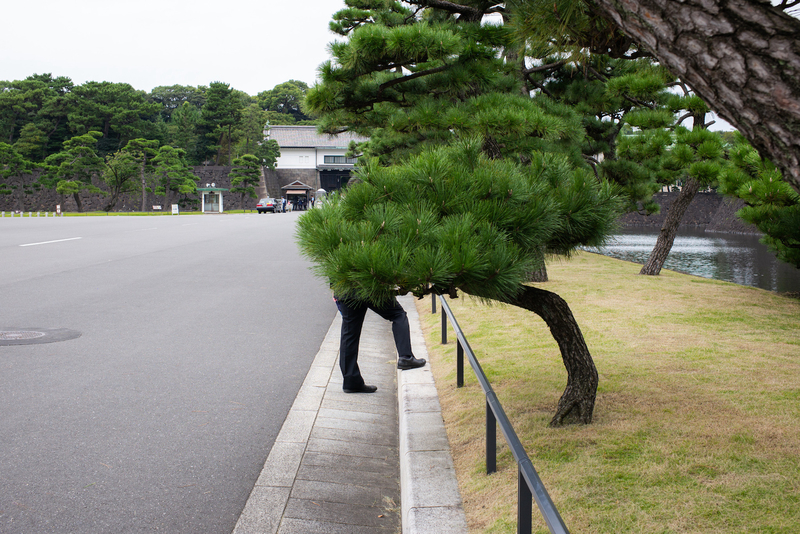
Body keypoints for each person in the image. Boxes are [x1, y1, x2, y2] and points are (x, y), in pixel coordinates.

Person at [334, 293, 426, 393]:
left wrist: (336, 291)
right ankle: (406, 357)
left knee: (349, 333)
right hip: (369, 287)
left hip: (345, 290)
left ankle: (351, 381)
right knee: (398, 315)